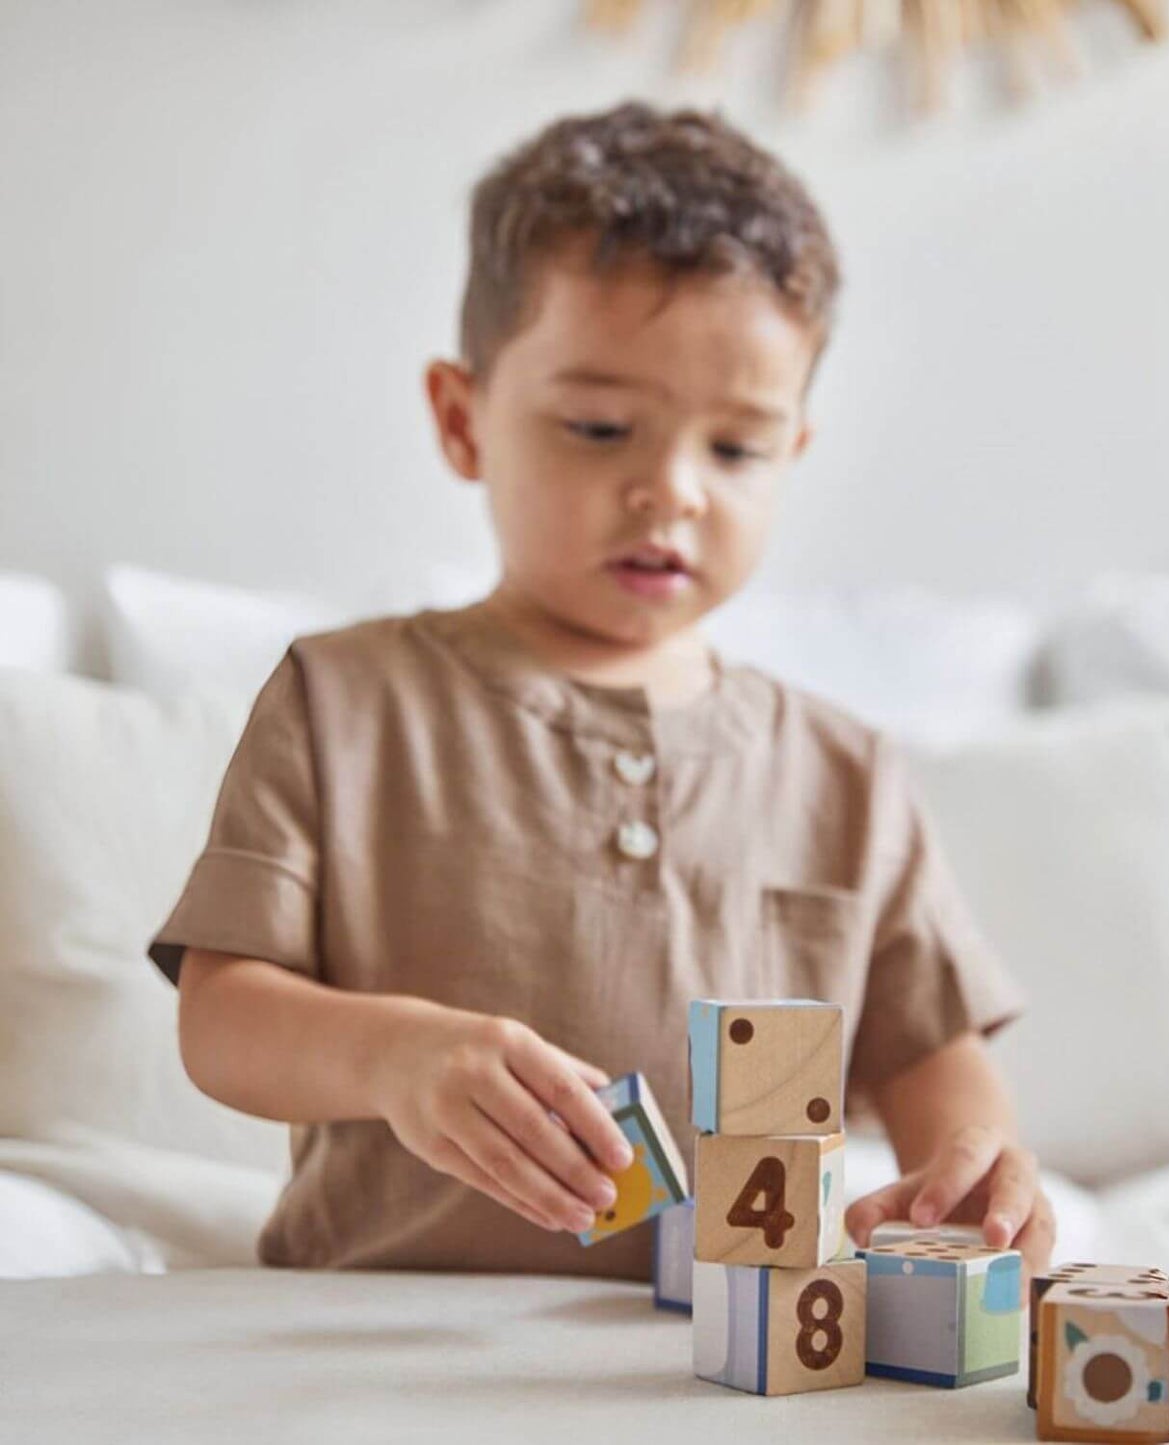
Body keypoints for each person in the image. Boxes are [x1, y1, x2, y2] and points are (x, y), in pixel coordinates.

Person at [149, 99, 1055, 1283]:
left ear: (793, 452)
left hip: (730, 1360)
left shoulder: (845, 769)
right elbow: (221, 1019)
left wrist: (975, 1166)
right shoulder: (342, 700)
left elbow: (926, 1052)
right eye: (598, 425)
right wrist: (396, 1057)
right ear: (462, 418)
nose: (671, 490)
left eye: (735, 449)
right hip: (377, 1337)